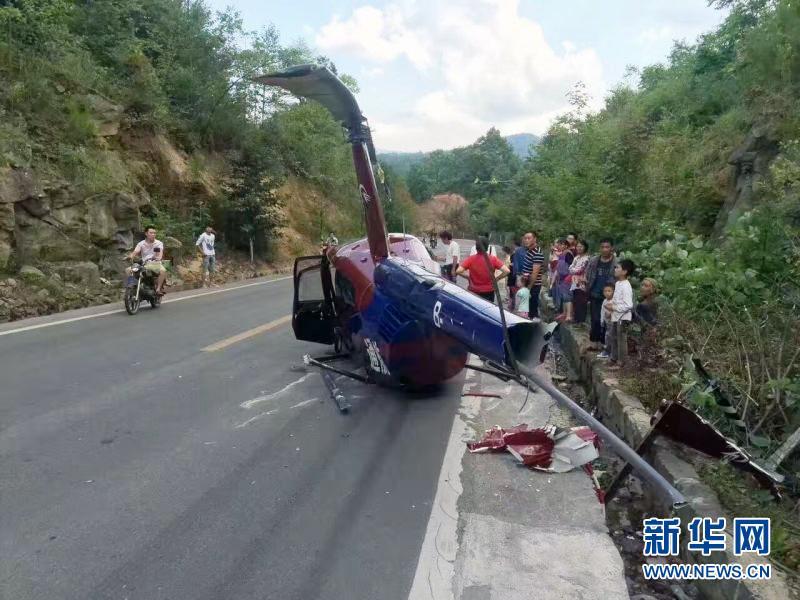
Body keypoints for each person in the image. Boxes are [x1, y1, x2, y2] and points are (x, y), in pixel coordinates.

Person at [585, 238, 618, 350]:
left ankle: (604, 343)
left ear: (611, 248)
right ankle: (594, 342)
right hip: (595, 293)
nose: (604, 249)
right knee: (595, 319)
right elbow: (588, 275)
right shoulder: (594, 261)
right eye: (602, 247)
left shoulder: (616, 263)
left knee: (606, 320)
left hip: (609, 296)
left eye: (607, 247)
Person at [604, 259, 635, 368]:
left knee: (621, 339)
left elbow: (628, 305)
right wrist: (611, 307)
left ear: (624, 271)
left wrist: (613, 307)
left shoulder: (626, 286)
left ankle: (621, 362)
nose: (615, 269)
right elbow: (617, 299)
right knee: (614, 337)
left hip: (623, 317)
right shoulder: (618, 283)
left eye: (617, 268)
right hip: (616, 316)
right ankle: (614, 358)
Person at [456, 237, 509, 301]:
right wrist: (496, 279)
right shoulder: (493, 259)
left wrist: (468, 277)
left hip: (473, 290)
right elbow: (507, 271)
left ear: (476, 247)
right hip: (489, 291)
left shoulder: (471, 259)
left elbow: (458, 271)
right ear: (487, 247)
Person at [128, 225, 167, 295]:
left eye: (154, 233)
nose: (153, 234)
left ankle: (158, 289)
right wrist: (131, 256)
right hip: (144, 264)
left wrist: (158, 257)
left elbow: (159, 252)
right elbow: (135, 252)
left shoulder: (158, 243)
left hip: (154, 263)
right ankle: (131, 287)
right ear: (146, 233)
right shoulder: (141, 244)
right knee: (128, 270)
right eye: (151, 233)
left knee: (163, 271)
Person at [517, 231, 545, 319]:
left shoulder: (537, 253)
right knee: (526, 308)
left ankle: (533, 325)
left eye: (529, 238)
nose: (526, 240)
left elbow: (535, 273)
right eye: (525, 238)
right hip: (526, 284)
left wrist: (528, 287)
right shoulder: (529, 251)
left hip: (533, 285)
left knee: (532, 308)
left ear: (535, 239)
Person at [566, 239, 590, 323]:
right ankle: (576, 319)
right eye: (578, 246)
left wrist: (574, 269)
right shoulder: (576, 257)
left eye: (581, 246)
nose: (579, 248)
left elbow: (579, 270)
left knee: (581, 301)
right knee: (575, 300)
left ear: (585, 248)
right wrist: (574, 269)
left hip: (582, 282)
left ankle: (581, 321)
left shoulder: (587, 259)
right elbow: (570, 268)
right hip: (574, 282)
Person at [597, 283, 616, 359]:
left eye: (609, 291)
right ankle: (608, 351)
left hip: (612, 322)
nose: (607, 293)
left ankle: (608, 351)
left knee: (610, 336)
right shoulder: (604, 301)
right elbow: (602, 311)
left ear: (613, 292)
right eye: (605, 291)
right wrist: (602, 321)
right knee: (607, 336)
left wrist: (610, 313)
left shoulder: (614, 301)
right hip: (606, 322)